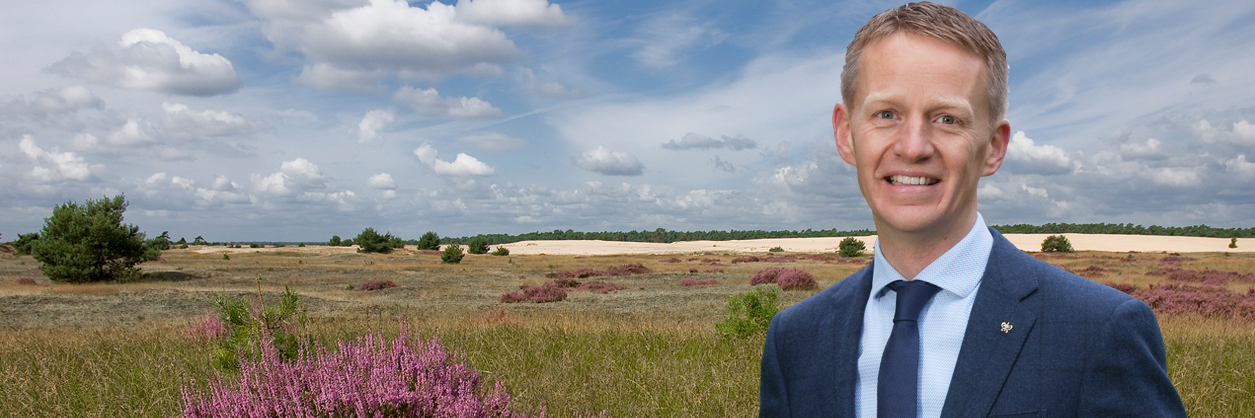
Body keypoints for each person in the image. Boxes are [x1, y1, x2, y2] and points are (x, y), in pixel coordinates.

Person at [758, 2, 1186, 417]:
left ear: (994, 147)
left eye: (947, 119)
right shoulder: (796, 340)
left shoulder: (1098, 330)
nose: (913, 147)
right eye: (886, 114)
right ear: (846, 134)